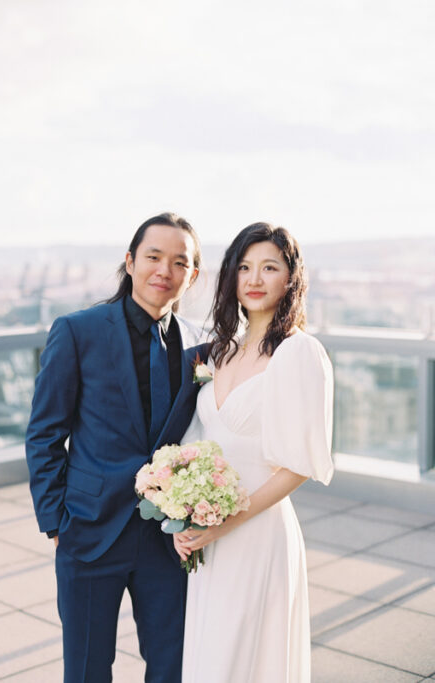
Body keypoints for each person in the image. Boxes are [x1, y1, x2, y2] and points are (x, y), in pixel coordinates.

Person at [26, 213, 209, 683]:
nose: (163, 270)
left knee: (173, 667)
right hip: (89, 532)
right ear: (130, 262)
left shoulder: (199, 347)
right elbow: (45, 434)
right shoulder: (77, 331)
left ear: (192, 275)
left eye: (179, 262)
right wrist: (55, 523)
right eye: (153, 257)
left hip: (167, 540)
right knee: (87, 671)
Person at [175, 223, 333, 682]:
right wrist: (182, 517)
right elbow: (200, 442)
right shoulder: (222, 352)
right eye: (244, 267)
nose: (255, 279)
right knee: (212, 655)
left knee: (248, 657)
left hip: (257, 531)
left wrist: (227, 523)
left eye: (269, 267)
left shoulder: (300, 352)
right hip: (208, 534)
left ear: (291, 278)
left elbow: (298, 466)